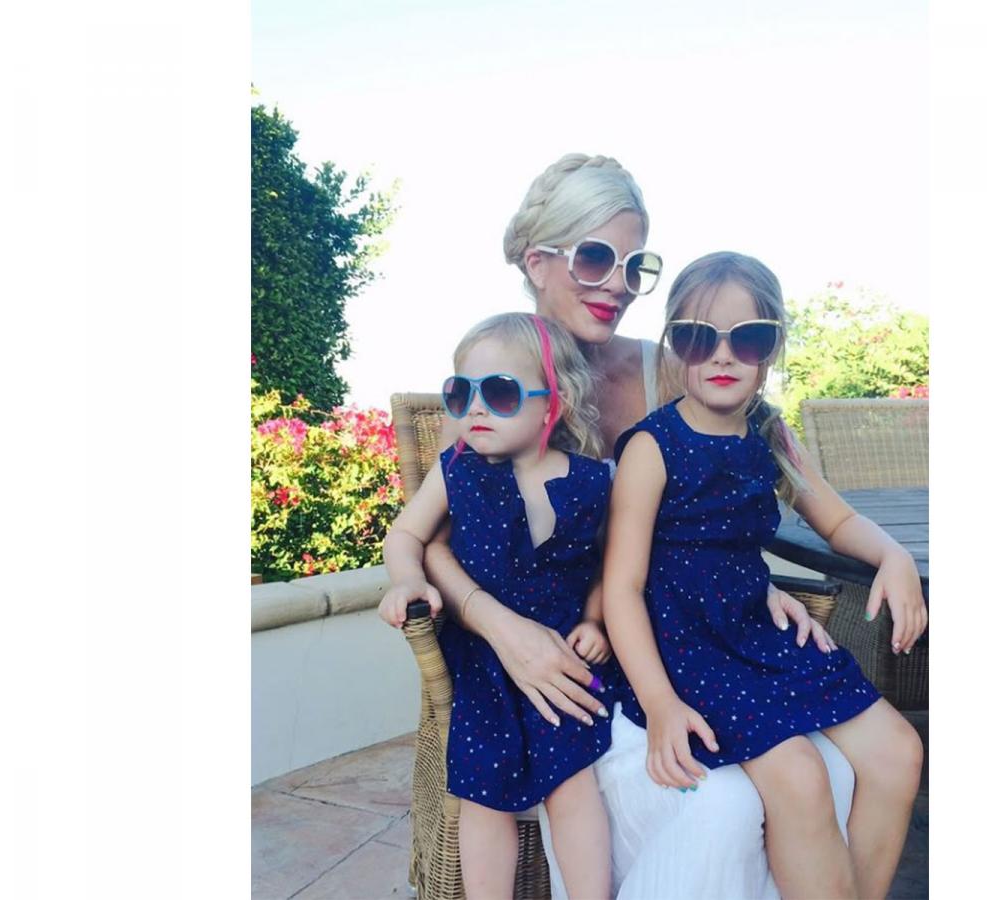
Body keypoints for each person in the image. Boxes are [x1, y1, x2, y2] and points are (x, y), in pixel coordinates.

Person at [414, 153, 858, 899]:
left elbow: (727, 497)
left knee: (834, 770)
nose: (618, 284)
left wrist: (747, 581)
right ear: (537, 261)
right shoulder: (497, 383)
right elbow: (431, 540)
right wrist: (501, 627)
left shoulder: (669, 367)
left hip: (680, 645)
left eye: (635, 265)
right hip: (576, 665)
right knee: (720, 802)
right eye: (596, 258)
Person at [606, 251, 926, 899]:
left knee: (899, 751)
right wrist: (662, 704)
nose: (722, 356)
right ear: (674, 347)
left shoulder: (770, 434)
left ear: (772, 347)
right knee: (799, 776)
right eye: (699, 338)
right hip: (689, 648)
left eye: (747, 338)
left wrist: (894, 556)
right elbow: (622, 588)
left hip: (756, 633)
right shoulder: (652, 447)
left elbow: (836, 519)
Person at [378, 312, 618, 899]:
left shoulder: (592, 480)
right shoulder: (457, 471)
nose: (476, 409)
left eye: (501, 393)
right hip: (482, 656)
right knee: (484, 795)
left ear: (553, 403)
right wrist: (407, 580)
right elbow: (405, 535)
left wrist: (595, 619)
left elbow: (608, 564)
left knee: (573, 783)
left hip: (560, 652)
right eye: (460, 394)